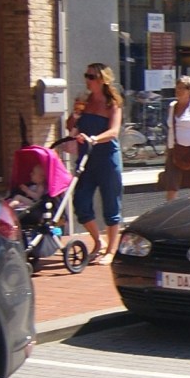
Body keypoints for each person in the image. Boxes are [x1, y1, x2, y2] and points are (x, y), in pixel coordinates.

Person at [69, 62, 124, 264]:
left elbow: (114, 131)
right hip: (86, 158)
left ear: (102, 79)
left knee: (111, 203)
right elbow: (70, 126)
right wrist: (75, 114)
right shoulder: (84, 100)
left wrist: (95, 138)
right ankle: (98, 241)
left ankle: (111, 249)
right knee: (81, 201)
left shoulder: (113, 103)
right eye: (86, 75)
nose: (87, 80)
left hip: (107, 157)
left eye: (91, 76)